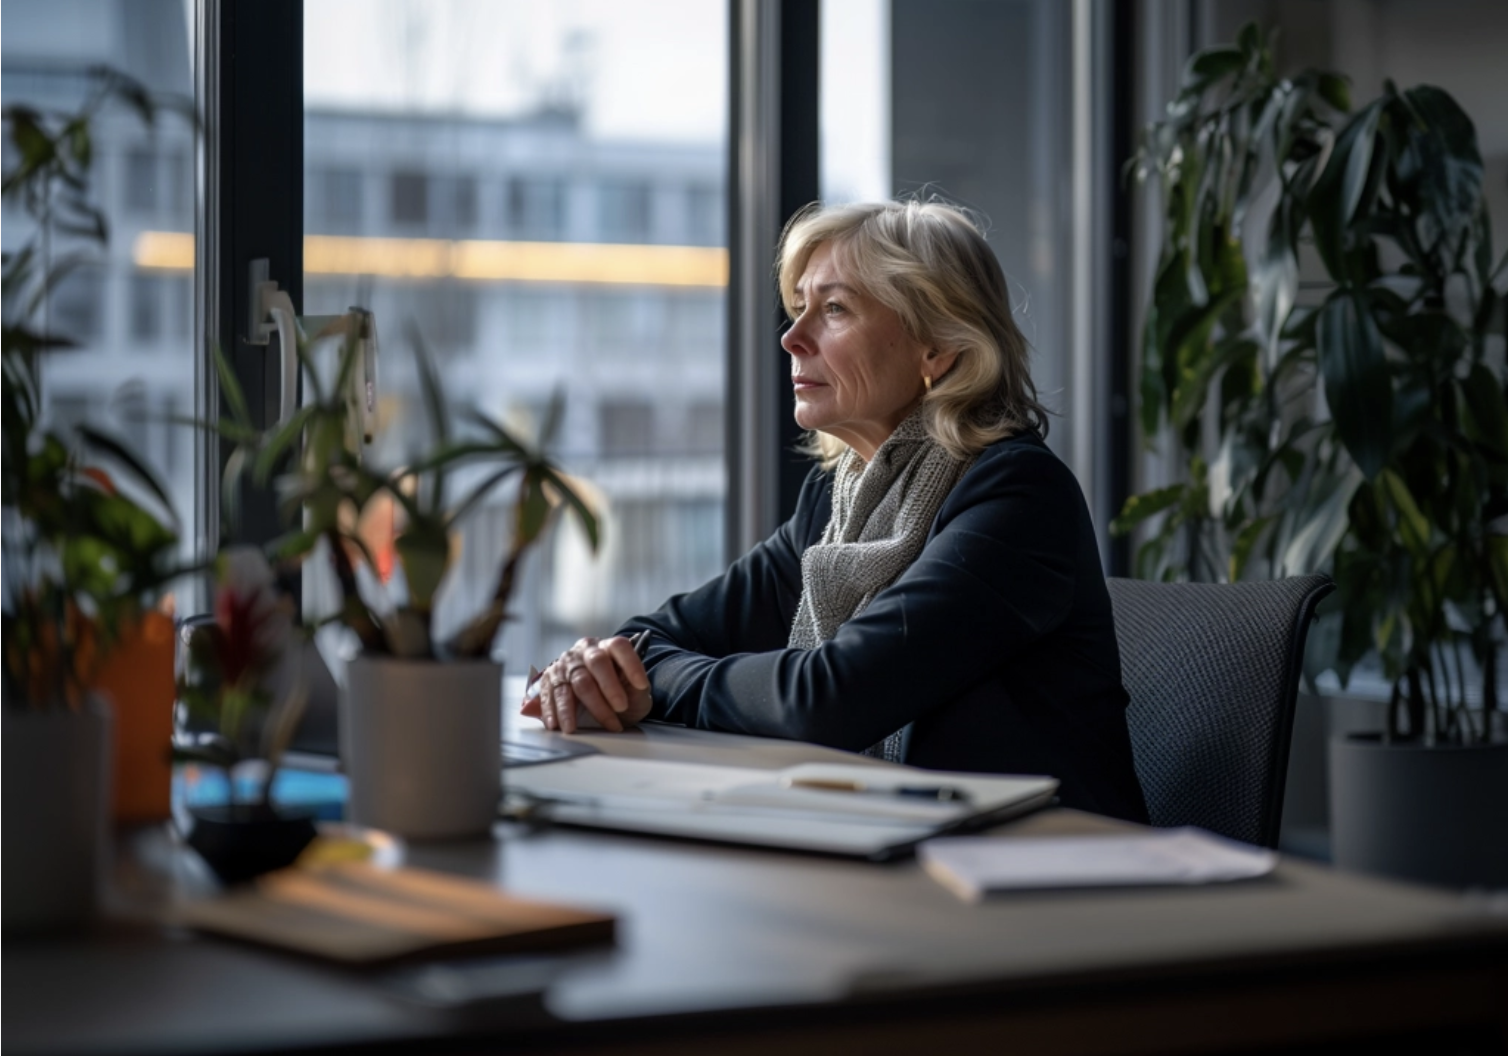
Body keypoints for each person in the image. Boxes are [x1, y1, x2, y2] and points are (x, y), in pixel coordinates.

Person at [522, 199, 1149, 822]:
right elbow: (658, 634)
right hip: (905, 849)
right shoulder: (837, 500)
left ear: (937, 348)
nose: (792, 338)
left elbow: (826, 701)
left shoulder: (1019, 495)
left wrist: (646, 681)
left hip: (1049, 875)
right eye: (800, 309)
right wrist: (613, 664)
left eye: (835, 310)